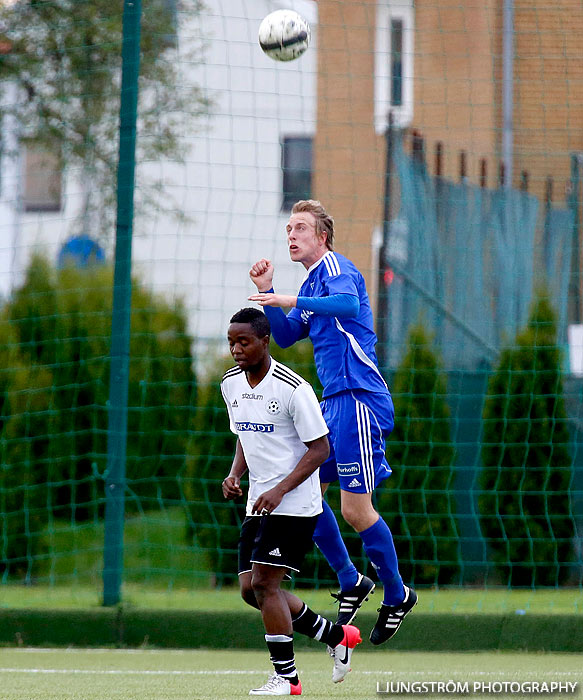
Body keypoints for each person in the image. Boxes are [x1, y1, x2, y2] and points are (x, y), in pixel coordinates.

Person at [248, 200, 417, 645]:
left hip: (360, 398)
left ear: (322, 237)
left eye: (300, 227)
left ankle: (397, 594)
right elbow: (285, 335)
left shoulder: (338, 269)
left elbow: (343, 304)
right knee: (306, 494)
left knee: (354, 509)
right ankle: (351, 579)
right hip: (335, 402)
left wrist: (288, 296)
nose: (292, 235)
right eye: (288, 228)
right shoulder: (310, 284)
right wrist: (270, 291)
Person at [221, 307, 362, 696]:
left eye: (244, 341)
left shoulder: (292, 388)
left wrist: (281, 488)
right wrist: (235, 475)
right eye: (231, 341)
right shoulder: (230, 384)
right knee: (252, 590)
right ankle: (337, 637)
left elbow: (320, 450)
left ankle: (287, 678)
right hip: (258, 500)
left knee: (266, 583)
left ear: (265, 341)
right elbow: (245, 436)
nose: (236, 349)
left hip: (296, 502)